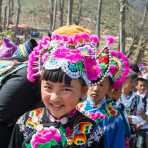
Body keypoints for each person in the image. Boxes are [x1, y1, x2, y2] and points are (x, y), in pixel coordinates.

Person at [0, 25, 92, 148]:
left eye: (65, 89)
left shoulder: (91, 131)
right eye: (48, 87)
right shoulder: (25, 122)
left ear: (83, 90)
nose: (54, 97)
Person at [77, 37, 131, 148]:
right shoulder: (76, 109)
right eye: (92, 83)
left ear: (109, 88)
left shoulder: (114, 115)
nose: (95, 89)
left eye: (101, 85)